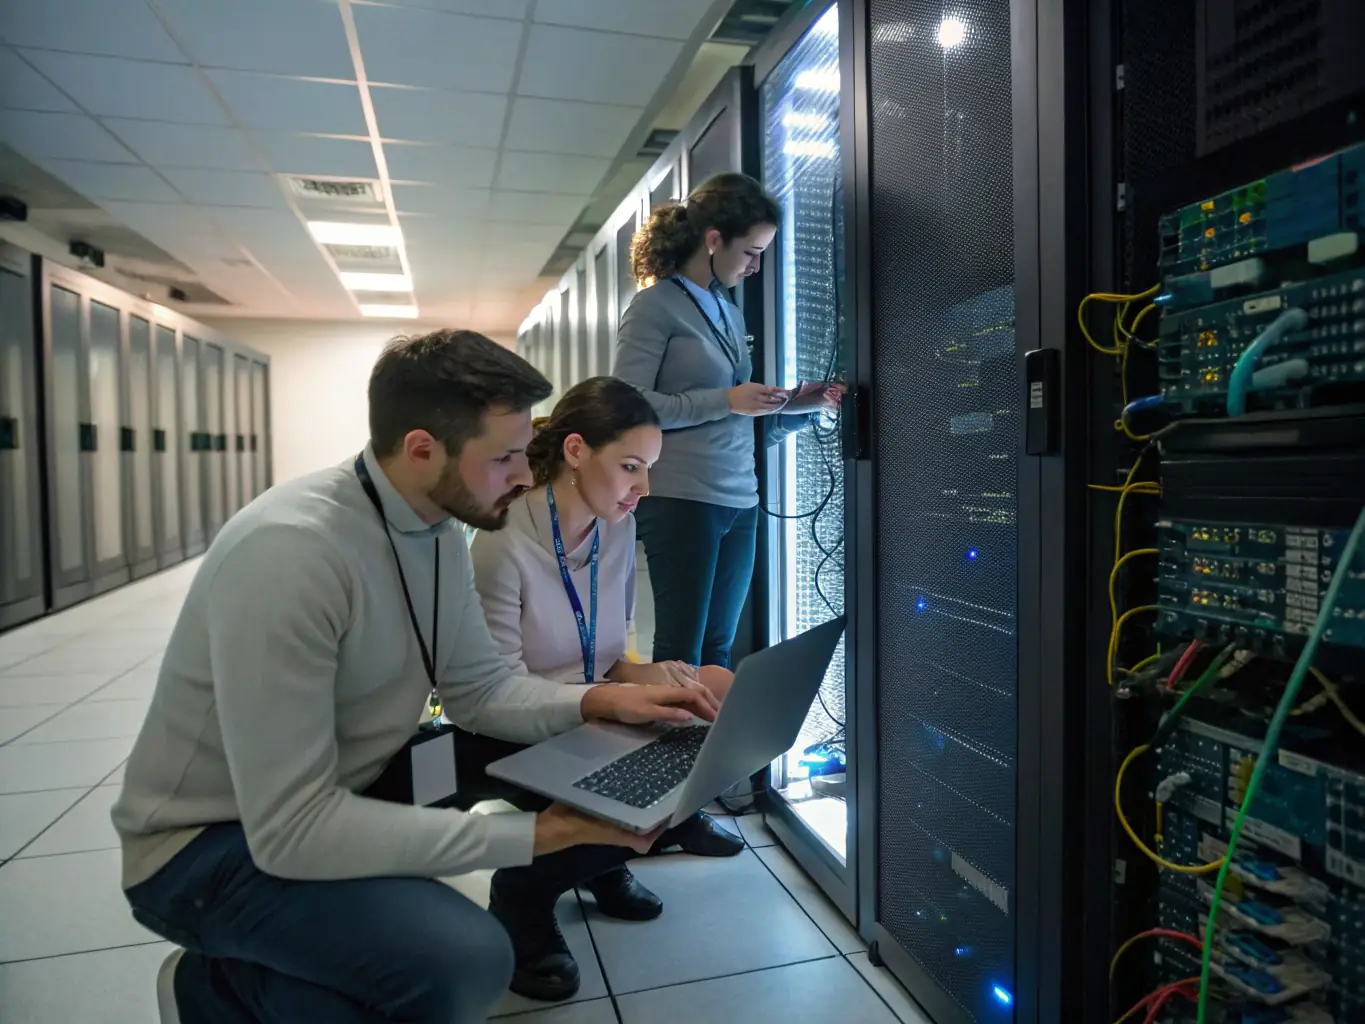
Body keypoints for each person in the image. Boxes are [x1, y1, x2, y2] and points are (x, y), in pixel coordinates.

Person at [110, 330, 717, 1023]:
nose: (525, 474)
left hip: (345, 787)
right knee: (464, 960)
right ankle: (212, 994)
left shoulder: (432, 531)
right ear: (423, 448)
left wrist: (608, 700)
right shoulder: (292, 552)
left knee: (463, 851)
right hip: (209, 849)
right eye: (505, 458)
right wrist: (540, 836)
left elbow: (480, 692)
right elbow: (292, 828)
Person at [471, 376, 740, 870]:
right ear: (576, 450)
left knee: (718, 689)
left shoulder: (617, 528)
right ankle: (524, 900)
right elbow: (495, 695)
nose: (645, 488)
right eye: (631, 467)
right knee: (627, 765)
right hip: (523, 717)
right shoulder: (501, 541)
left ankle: (620, 856)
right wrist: (615, 699)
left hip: (595, 698)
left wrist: (655, 677)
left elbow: (609, 656)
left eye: (649, 470)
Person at [613, 172, 844, 694]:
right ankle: (666, 768)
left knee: (719, 653)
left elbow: (734, 417)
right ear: (713, 240)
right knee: (681, 655)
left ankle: (705, 768)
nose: (756, 266)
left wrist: (800, 407)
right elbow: (628, 408)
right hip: (681, 498)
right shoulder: (654, 306)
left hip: (740, 499)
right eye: (750, 252)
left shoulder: (727, 309)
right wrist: (727, 399)